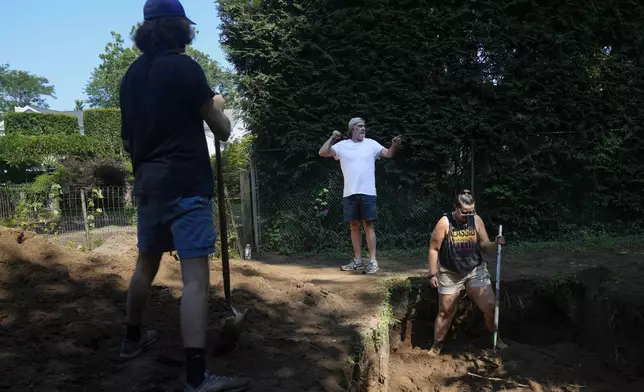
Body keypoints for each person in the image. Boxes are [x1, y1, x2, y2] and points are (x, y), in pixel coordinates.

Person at [119, 1, 250, 391]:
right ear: (180, 29)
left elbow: (129, 139)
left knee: (145, 264)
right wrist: (217, 105)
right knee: (195, 278)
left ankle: (131, 339)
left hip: (148, 184)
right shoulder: (185, 68)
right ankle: (196, 378)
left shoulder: (131, 76)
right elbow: (222, 130)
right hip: (186, 185)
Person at [426, 189, 507, 356]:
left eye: (471, 212)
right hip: (450, 273)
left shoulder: (476, 220)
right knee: (446, 311)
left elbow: (485, 245)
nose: (468, 216)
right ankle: (437, 343)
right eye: (464, 212)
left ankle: (494, 339)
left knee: (491, 306)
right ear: (455, 207)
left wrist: (496, 243)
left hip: (474, 270)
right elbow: (434, 248)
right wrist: (433, 274)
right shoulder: (444, 222)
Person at [318, 117, 401, 274]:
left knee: (368, 226)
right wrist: (333, 138)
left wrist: (394, 145)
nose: (363, 129)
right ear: (352, 129)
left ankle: (373, 262)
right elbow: (322, 152)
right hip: (349, 192)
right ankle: (357, 261)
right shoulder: (342, 146)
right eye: (359, 126)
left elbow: (389, 154)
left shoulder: (371, 144)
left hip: (368, 192)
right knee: (354, 226)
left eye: (364, 126)